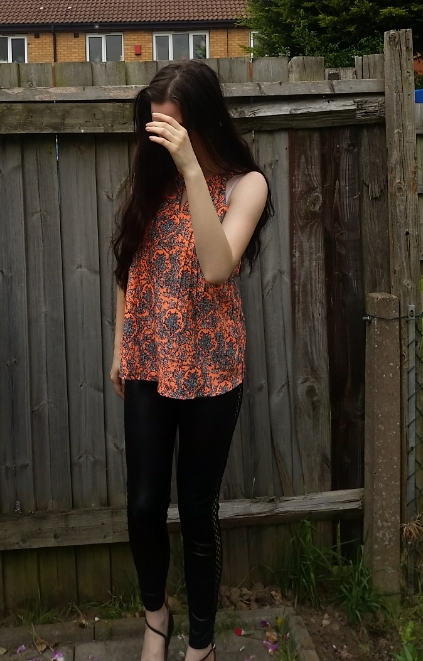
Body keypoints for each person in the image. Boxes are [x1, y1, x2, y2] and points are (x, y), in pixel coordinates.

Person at [110, 60, 272, 661]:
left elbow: (216, 266)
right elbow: (127, 264)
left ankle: (201, 644)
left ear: (201, 121)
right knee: (144, 505)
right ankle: (157, 619)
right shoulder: (149, 181)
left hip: (211, 369)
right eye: (156, 127)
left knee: (199, 511)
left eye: (173, 127)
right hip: (148, 361)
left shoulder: (245, 185)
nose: (163, 138)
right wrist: (119, 346)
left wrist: (191, 171)